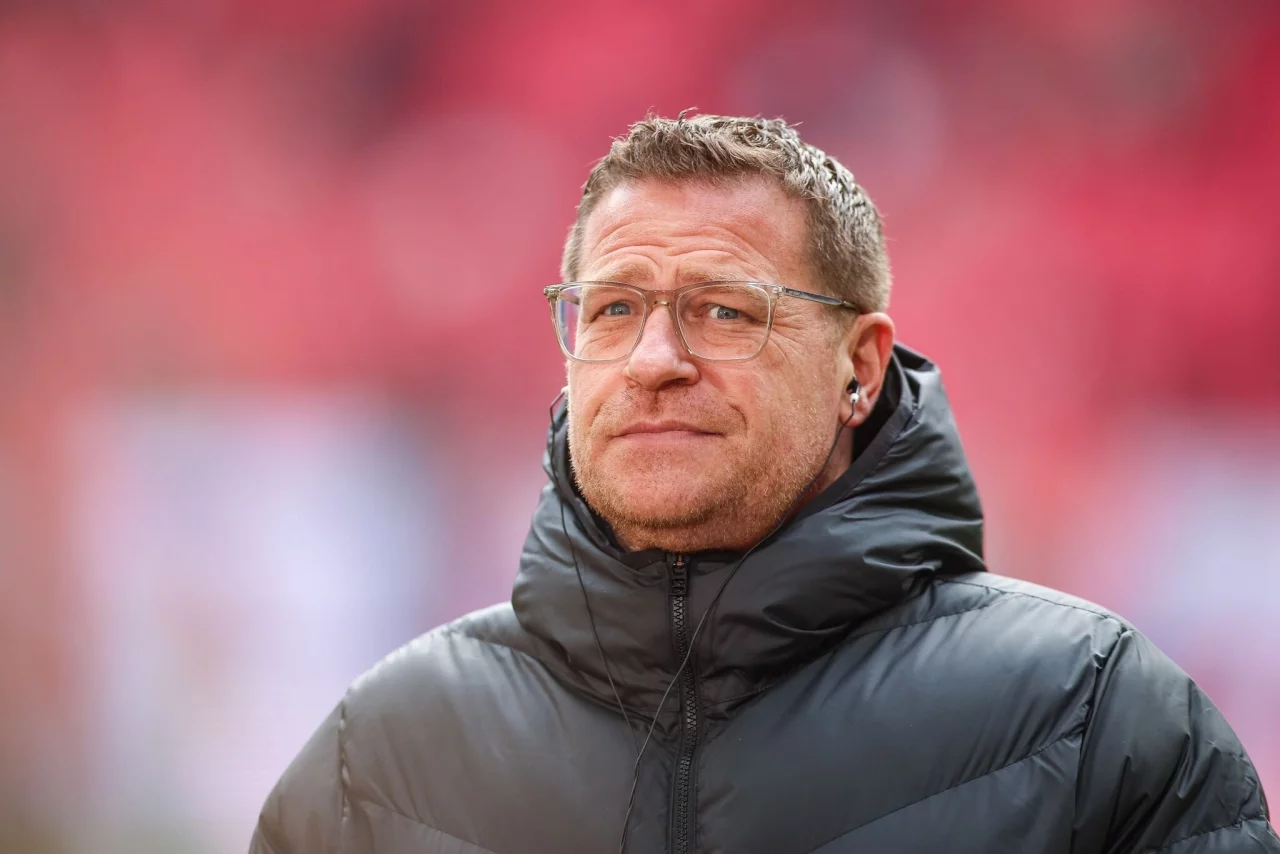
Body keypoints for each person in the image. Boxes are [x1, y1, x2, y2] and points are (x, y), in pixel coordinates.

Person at [250, 114, 1277, 854]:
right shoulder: (380, 755)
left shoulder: (1094, 719)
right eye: (611, 309)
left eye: (723, 311)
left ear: (859, 368)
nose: (653, 359)